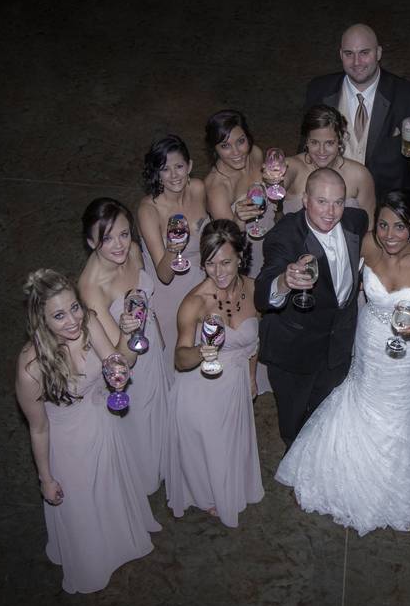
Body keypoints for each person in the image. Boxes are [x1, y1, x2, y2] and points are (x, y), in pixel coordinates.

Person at [276, 192, 410, 535]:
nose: (390, 235)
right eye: (384, 226)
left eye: (399, 227)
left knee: (402, 405)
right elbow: (336, 273)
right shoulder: (367, 245)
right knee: (364, 394)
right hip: (371, 339)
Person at [14, 269, 160, 594]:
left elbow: (113, 359)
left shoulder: (89, 321)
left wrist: (119, 365)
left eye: (74, 308)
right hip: (67, 444)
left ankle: (120, 541)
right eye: (59, 315)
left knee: (110, 487)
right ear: (41, 321)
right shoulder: (30, 368)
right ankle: (92, 561)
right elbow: (37, 428)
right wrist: (46, 479)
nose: (72, 321)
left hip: (103, 423)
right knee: (83, 509)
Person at [254, 168, 369, 449]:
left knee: (324, 413)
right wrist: (283, 282)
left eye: (338, 202)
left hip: (338, 345)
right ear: (305, 200)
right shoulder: (284, 237)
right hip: (295, 352)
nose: (331, 212)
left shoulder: (356, 222)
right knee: (293, 422)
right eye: (322, 202)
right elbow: (261, 293)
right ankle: (294, 465)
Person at [166, 220, 264, 527]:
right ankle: (209, 496)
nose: (218, 272)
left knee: (229, 449)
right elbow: (180, 359)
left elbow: (254, 341)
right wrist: (201, 352)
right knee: (210, 452)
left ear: (240, 258)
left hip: (235, 384)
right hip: (202, 389)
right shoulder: (194, 302)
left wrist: (250, 377)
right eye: (210, 264)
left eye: (225, 262)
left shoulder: (254, 289)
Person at [78, 198, 169, 495]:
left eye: (124, 233)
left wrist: (155, 333)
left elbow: (146, 299)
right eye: (106, 238)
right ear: (91, 242)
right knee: (142, 426)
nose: (119, 245)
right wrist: (130, 332)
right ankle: (145, 483)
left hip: (153, 343)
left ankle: (168, 465)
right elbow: (119, 358)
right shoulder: (91, 287)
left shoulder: (131, 250)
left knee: (164, 413)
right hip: (131, 364)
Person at [305, 23, 410, 200]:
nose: (357, 62)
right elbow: (306, 146)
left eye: (364, 53)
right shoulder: (318, 90)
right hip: (331, 200)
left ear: (379, 53)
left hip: (386, 204)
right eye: (349, 54)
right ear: (340, 54)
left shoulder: (407, 94)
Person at [137, 134, 210, 369]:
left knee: (205, 348)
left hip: (203, 282)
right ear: (156, 173)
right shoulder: (149, 210)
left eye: (179, 166)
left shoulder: (198, 188)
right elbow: (164, 275)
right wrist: (172, 248)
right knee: (177, 360)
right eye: (165, 169)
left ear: (189, 165)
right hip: (170, 293)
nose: (174, 175)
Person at [203, 109, 273, 278]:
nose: (236, 152)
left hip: (270, 237)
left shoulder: (255, 153)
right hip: (246, 257)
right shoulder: (217, 188)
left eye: (240, 141)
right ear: (215, 149)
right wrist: (238, 221)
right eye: (225, 146)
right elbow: (229, 245)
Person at [281, 104, 376, 226]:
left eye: (329, 143)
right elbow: (275, 184)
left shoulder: (360, 175)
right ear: (306, 141)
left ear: (340, 141)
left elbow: (369, 227)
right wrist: (271, 181)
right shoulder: (292, 167)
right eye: (314, 142)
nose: (321, 151)